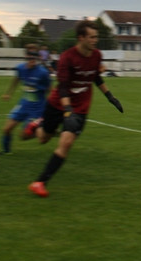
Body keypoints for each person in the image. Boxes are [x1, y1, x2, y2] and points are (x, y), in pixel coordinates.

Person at [24, 20, 124, 197]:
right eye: (91, 37)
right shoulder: (67, 57)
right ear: (81, 38)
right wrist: (68, 111)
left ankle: (40, 182)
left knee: (67, 142)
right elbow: (63, 87)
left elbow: (96, 77)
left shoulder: (96, 55)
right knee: (43, 138)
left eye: (96, 37)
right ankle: (37, 125)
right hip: (58, 103)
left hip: (81, 107)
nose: (95, 40)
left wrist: (110, 97)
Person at [0, 44, 51, 155]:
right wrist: (8, 93)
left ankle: (48, 132)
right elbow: (16, 79)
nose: (33, 58)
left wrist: (50, 108)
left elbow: (50, 90)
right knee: (6, 129)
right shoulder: (21, 68)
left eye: (35, 56)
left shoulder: (43, 73)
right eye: (30, 55)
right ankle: (6, 152)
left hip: (37, 109)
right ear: (26, 56)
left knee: (24, 136)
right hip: (23, 105)